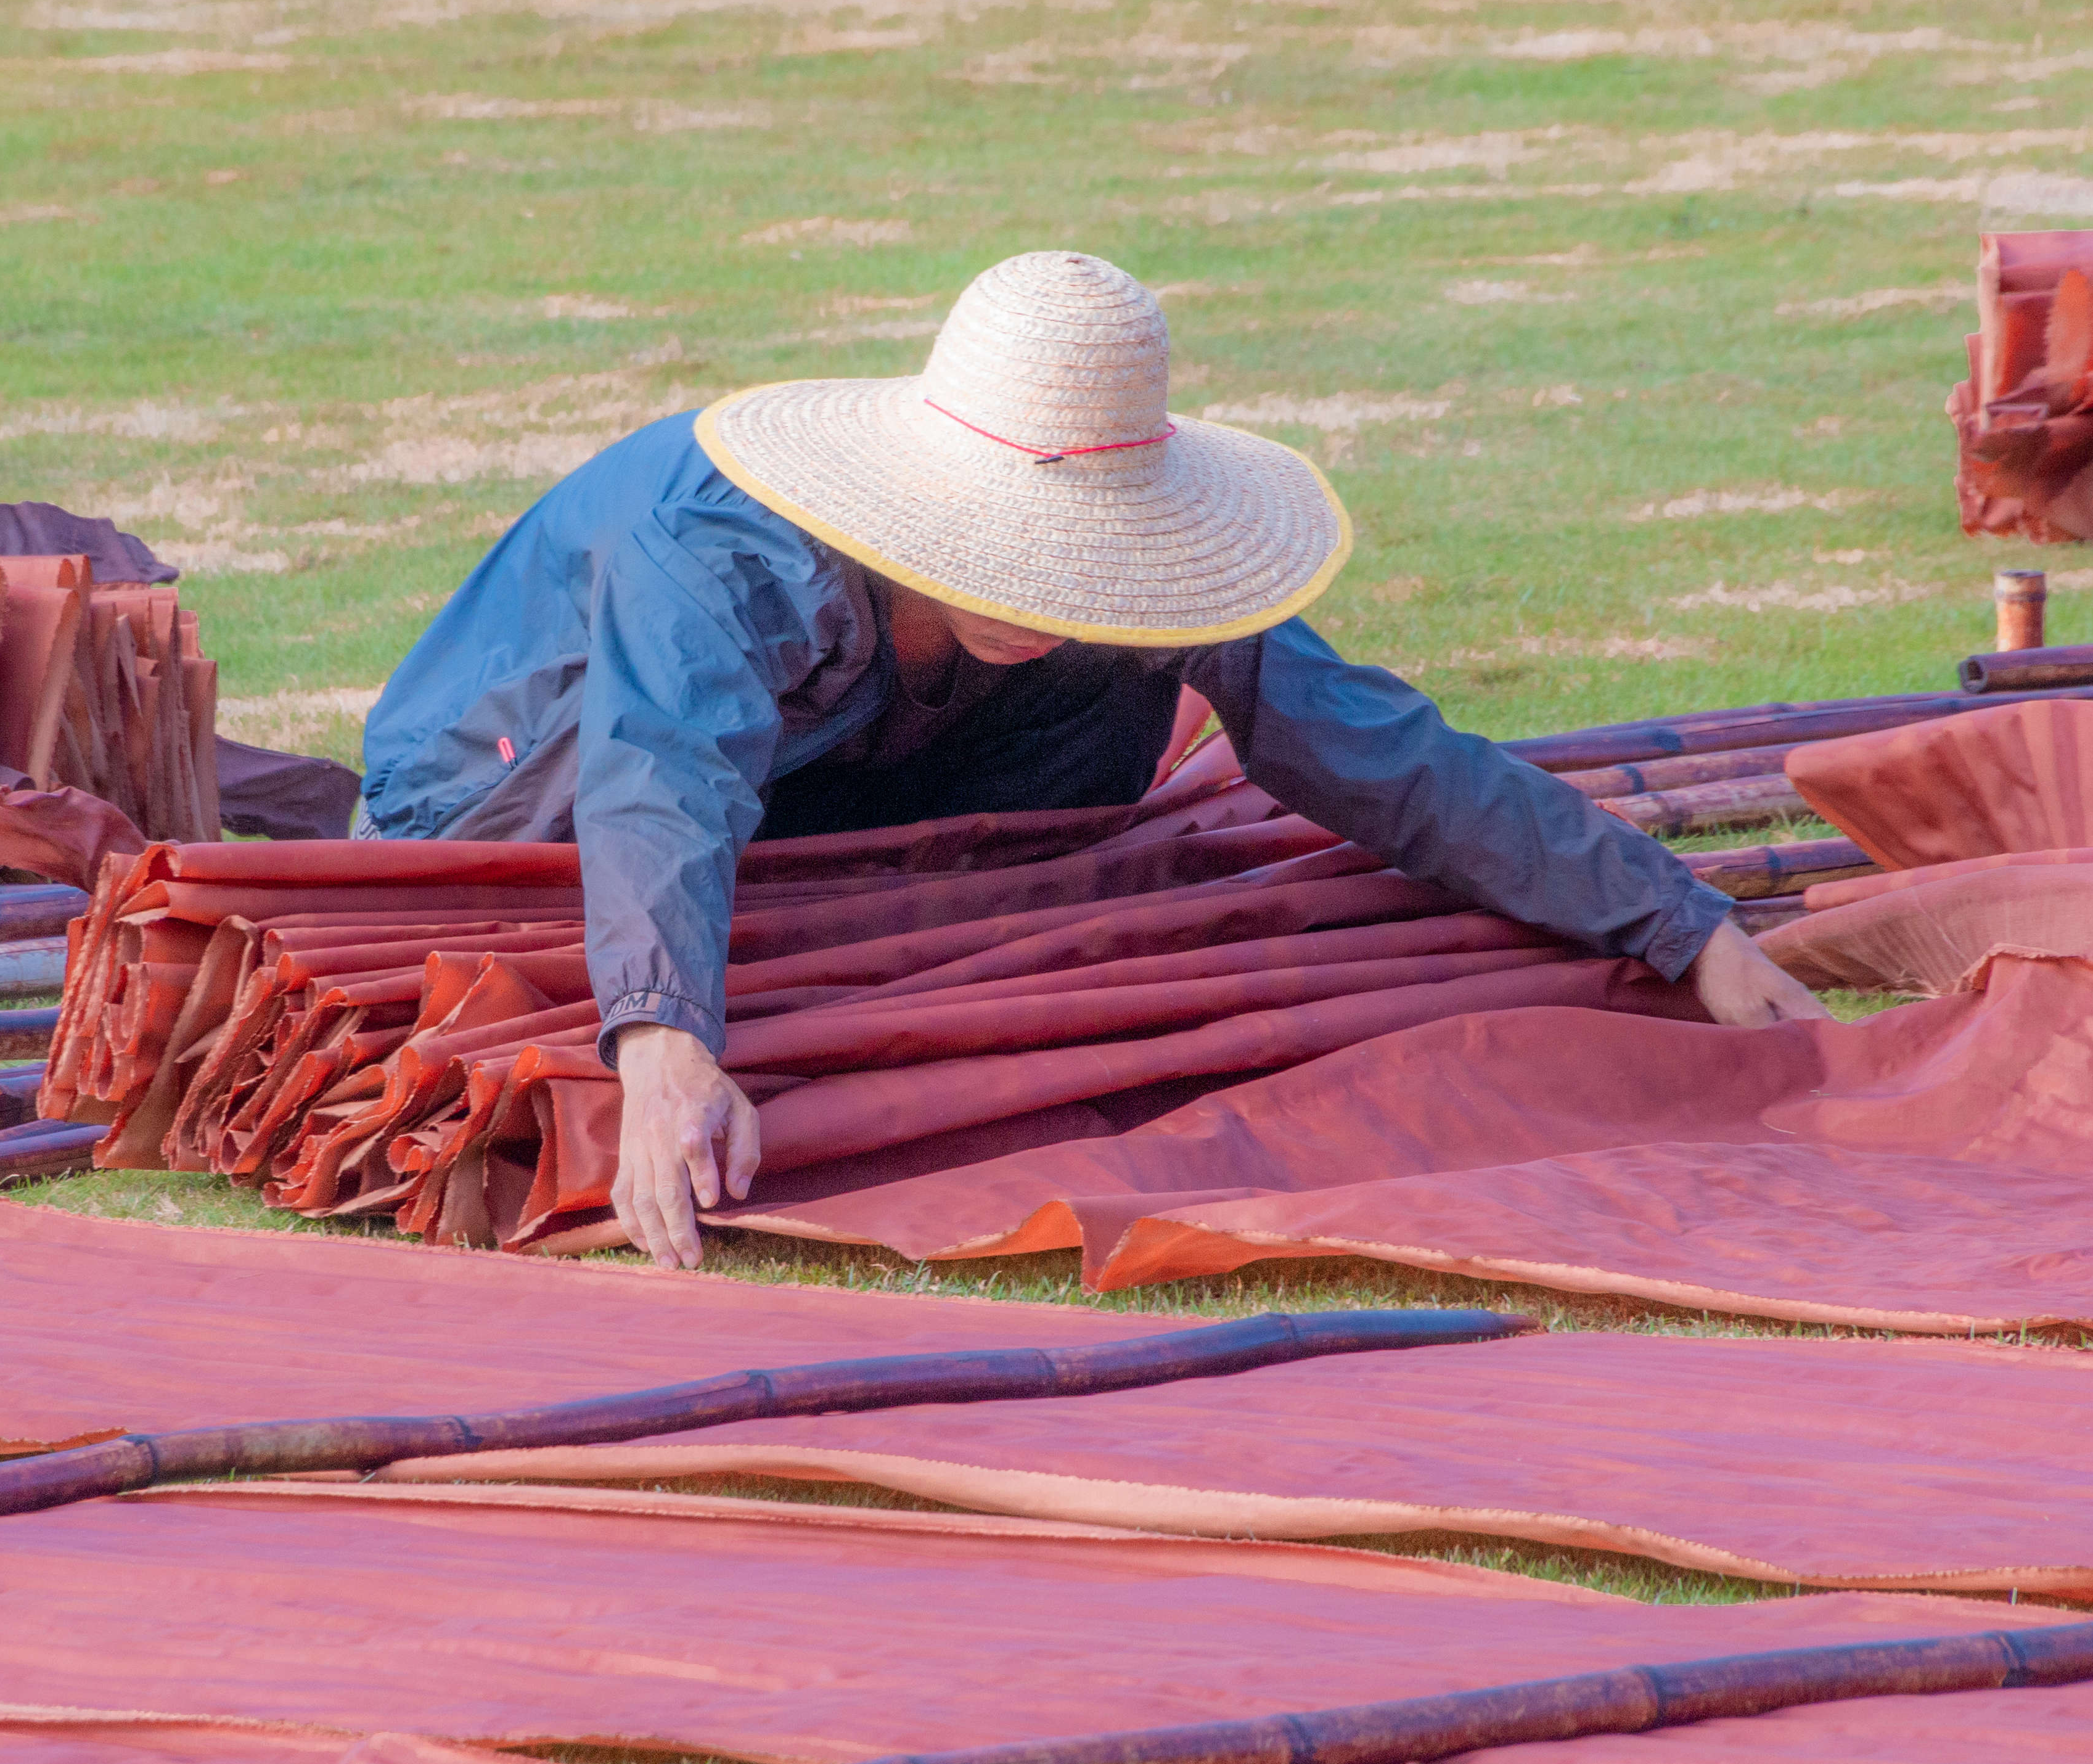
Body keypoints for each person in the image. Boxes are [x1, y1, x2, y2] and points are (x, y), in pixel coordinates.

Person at [359, 251, 1829, 1267]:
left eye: (1079, 558)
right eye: (1020, 558)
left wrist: (1674, 922)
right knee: (653, 818)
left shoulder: (1128, 582)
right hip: (503, 793)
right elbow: (658, 777)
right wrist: (667, 1051)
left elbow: (1380, 750)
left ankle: (905, 930)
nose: (1043, 591)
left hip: (828, 784)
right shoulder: (730, 555)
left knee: (1130, 689)